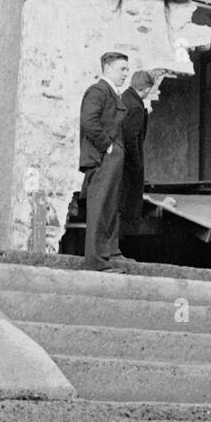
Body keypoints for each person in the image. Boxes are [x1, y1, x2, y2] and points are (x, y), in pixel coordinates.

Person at [79, 52, 130, 269]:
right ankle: (96, 262)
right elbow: (89, 122)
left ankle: (110, 253)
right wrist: (107, 146)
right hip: (102, 159)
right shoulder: (98, 91)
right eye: (122, 69)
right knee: (99, 209)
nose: (126, 74)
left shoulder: (112, 93)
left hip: (110, 159)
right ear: (108, 68)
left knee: (110, 208)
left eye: (127, 70)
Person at [117, 70, 156, 234]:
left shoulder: (123, 99)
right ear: (146, 88)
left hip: (119, 162)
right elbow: (131, 138)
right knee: (126, 206)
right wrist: (138, 164)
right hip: (128, 166)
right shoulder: (136, 106)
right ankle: (116, 247)